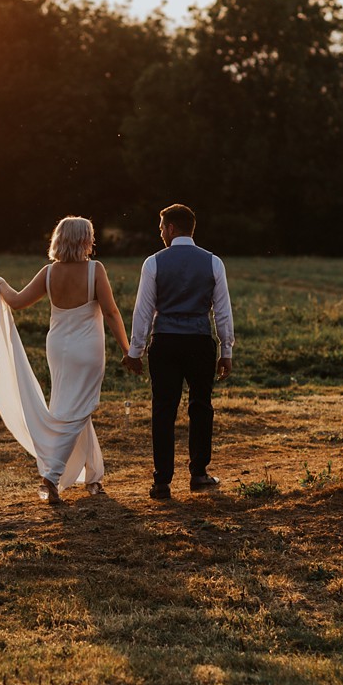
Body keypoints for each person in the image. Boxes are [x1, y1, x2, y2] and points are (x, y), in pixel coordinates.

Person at [0, 216, 131, 504]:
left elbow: (17, 301)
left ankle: (93, 478)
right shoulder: (95, 269)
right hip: (88, 349)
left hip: (57, 348)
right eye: (90, 236)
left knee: (76, 408)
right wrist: (128, 350)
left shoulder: (49, 272)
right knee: (77, 410)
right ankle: (51, 477)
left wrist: (0, 284)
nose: (93, 241)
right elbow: (112, 312)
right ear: (81, 240)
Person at [123, 204, 234, 500]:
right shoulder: (213, 262)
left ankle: (162, 481)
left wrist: (135, 351)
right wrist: (227, 350)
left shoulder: (153, 263)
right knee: (201, 406)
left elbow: (143, 312)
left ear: (171, 229)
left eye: (161, 228)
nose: (160, 233)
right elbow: (222, 312)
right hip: (199, 341)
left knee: (163, 409)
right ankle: (198, 473)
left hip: (166, 342)